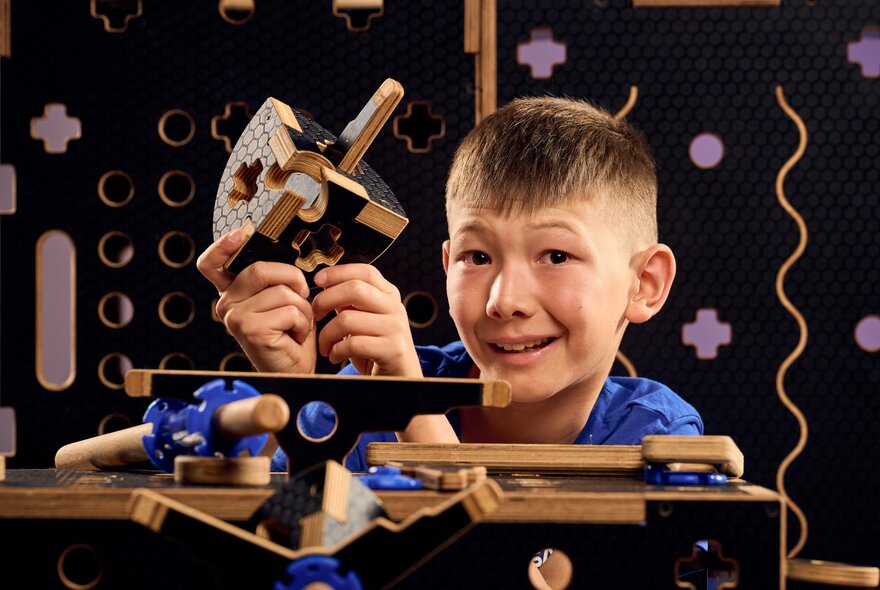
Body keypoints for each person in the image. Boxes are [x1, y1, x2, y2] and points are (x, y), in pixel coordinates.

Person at [197, 96, 703, 473]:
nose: (505, 300)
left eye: (556, 255)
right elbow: (298, 552)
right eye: (477, 256)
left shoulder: (657, 442)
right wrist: (293, 388)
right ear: (447, 266)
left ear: (645, 284)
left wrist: (412, 411)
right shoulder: (374, 383)